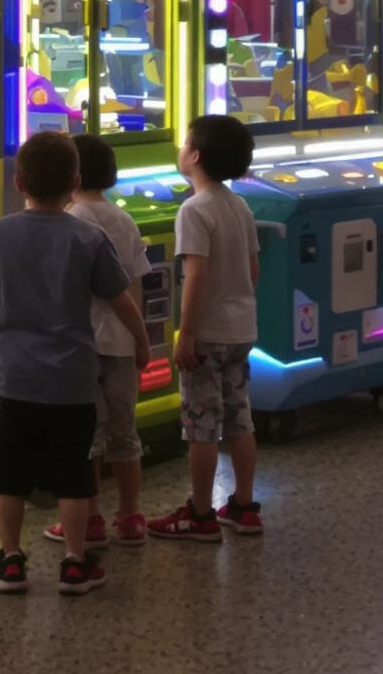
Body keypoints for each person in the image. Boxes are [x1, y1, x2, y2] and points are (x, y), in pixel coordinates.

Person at [0, 132, 148, 596]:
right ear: (74, 181)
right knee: (74, 473)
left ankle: (10, 559)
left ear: (18, 182)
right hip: (72, 381)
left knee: (8, 473)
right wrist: (142, 342)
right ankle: (75, 563)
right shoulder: (88, 237)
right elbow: (121, 299)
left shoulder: (0, 233)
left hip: (14, 378)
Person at [156, 114, 263, 542]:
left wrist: (188, 331)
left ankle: (199, 512)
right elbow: (253, 268)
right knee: (239, 418)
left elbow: (196, 276)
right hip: (241, 329)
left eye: (184, 143)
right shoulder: (239, 205)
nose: (180, 149)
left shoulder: (194, 210)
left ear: (195, 156)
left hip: (209, 333)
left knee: (200, 425)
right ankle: (244, 505)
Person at [50, 134, 154, 549]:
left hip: (81, 347)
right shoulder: (122, 219)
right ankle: (130, 516)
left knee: (84, 438)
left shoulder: (71, 219)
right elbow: (135, 285)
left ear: (70, 175)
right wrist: (141, 337)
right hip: (121, 344)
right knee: (124, 434)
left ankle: (89, 519)